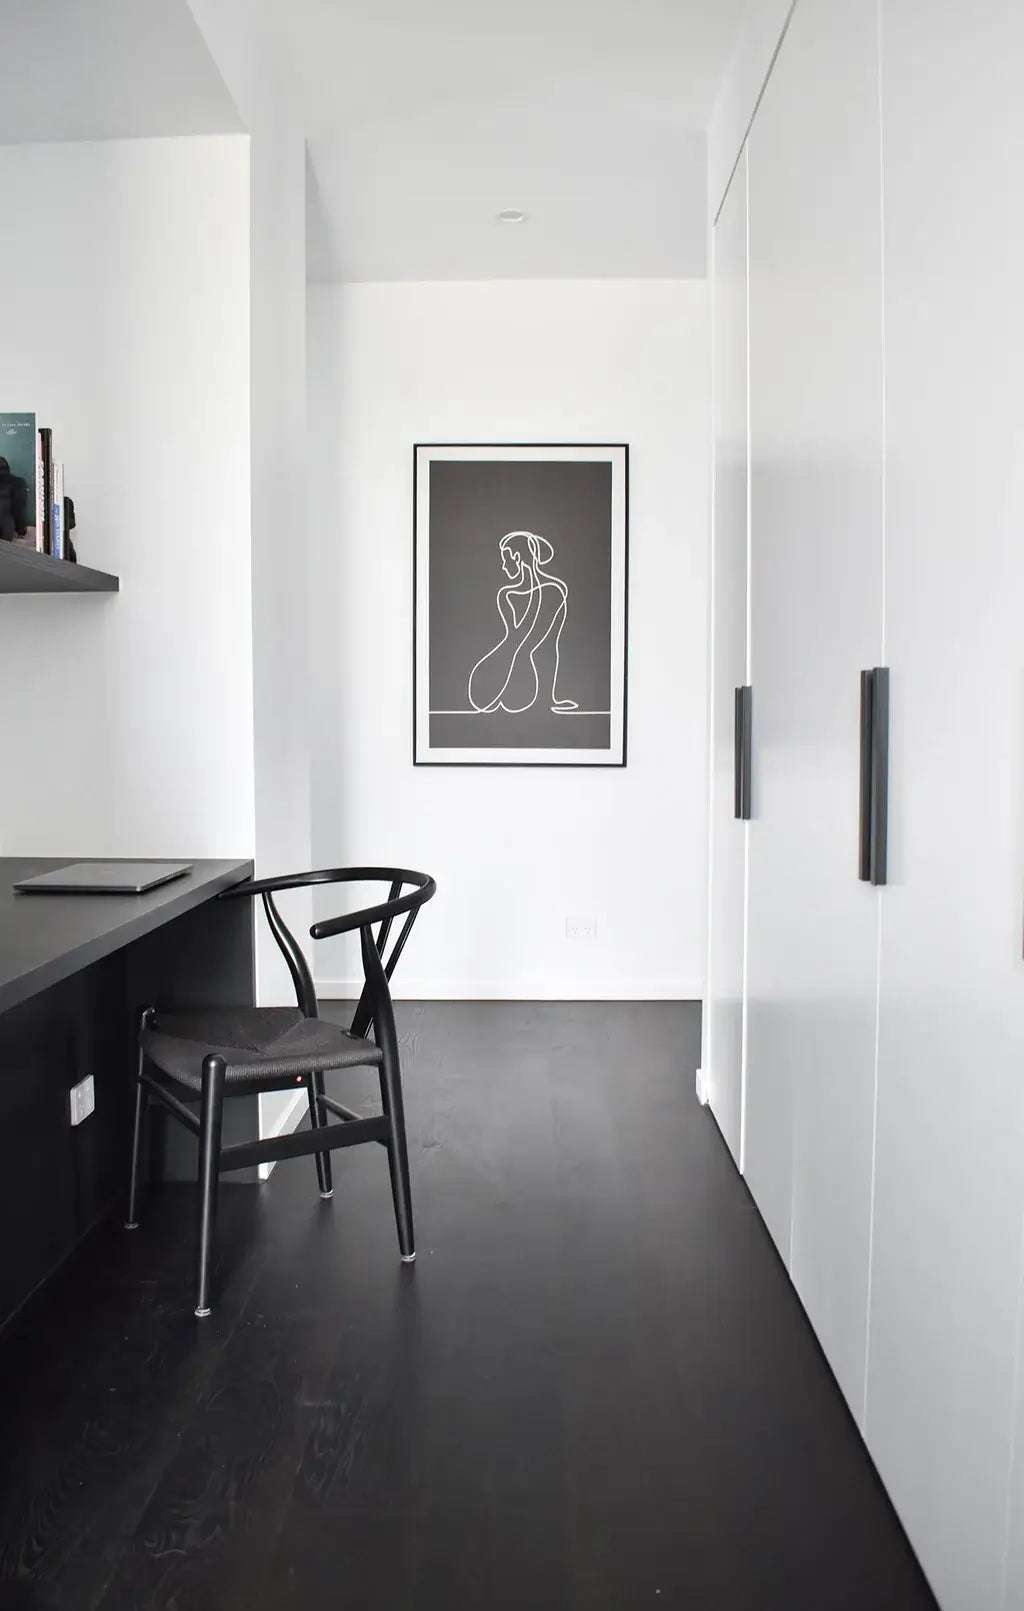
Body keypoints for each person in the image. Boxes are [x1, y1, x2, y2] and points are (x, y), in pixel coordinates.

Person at [468, 530, 579, 715]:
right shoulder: (507, 594)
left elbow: (548, 645)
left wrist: (549, 698)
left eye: (506, 559)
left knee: (513, 702)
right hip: (507, 672)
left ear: (517, 557)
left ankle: (541, 696)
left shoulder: (554, 592)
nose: (503, 566)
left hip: (522, 683)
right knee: (492, 702)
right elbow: (515, 637)